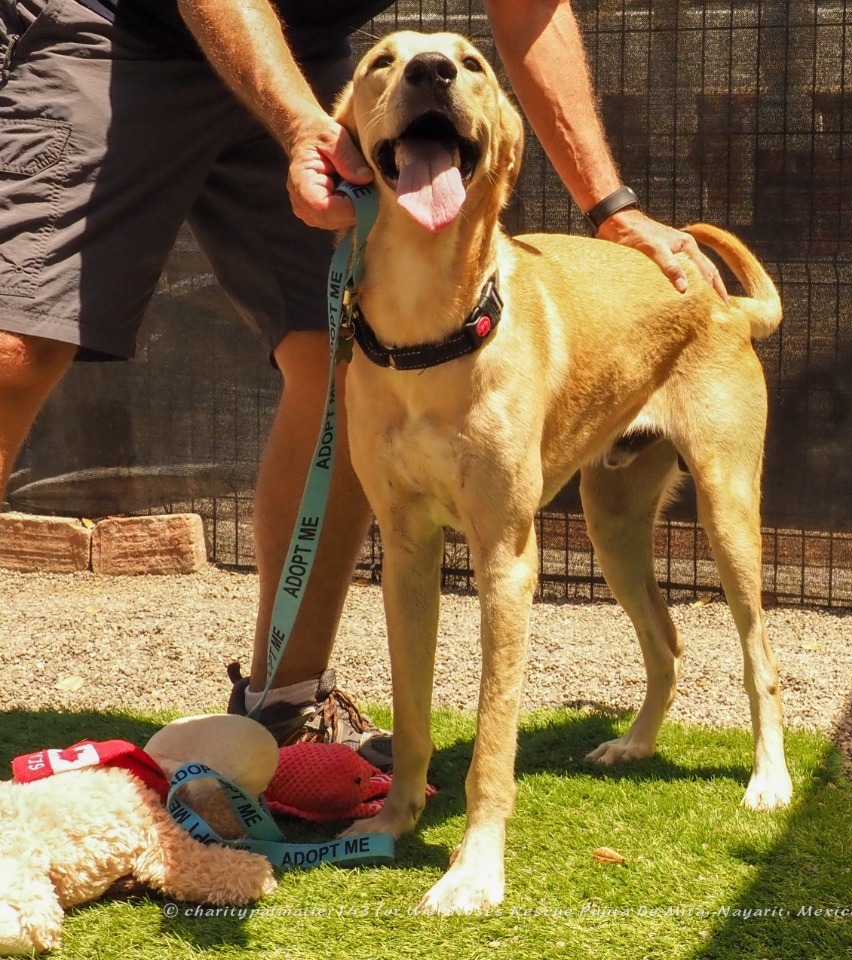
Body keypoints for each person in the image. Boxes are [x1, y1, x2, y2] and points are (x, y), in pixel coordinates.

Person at [0, 0, 725, 768]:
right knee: (13, 347)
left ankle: (286, 702)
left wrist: (611, 207)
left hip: (299, 48)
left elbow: (530, 12)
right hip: (116, 30)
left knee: (346, 362)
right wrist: (295, 123)